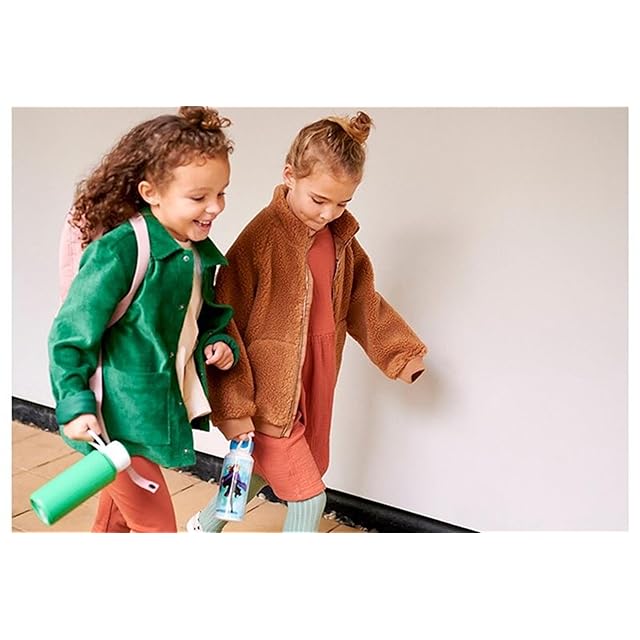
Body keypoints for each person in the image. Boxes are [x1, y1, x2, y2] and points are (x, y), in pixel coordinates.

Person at [188, 111, 427, 533]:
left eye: (343, 203)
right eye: (319, 200)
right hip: (268, 389)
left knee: (262, 468)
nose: (328, 213)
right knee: (308, 495)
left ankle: (202, 527)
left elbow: (363, 300)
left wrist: (400, 354)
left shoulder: (341, 241)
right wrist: (233, 404)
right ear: (289, 176)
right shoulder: (261, 238)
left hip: (316, 377)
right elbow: (224, 317)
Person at [48, 107, 239, 533]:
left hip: (151, 412)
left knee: (115, 522)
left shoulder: (194, 251)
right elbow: (70, 333)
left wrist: (219, 341)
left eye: (221, 193)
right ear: (151, 192)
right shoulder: (121, 250)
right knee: (158, 530)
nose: (214, 207)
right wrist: (74, 404)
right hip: (115, 419)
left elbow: (206, 315)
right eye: (199, 197)